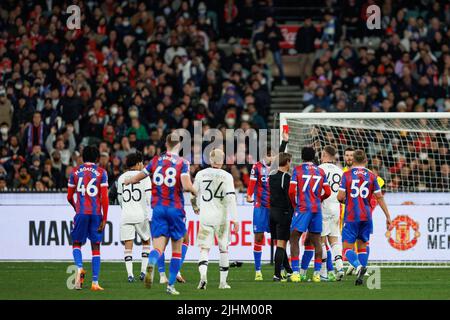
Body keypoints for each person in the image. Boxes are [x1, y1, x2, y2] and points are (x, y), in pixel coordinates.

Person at [124, 133, 197, 295]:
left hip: (158, 209)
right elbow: (186, 185)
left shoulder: (156, 161)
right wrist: (194, 190)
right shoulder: (182, 163)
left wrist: (129, 181)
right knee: (176, 249)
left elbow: (141, 175)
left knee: (158, 246)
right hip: (175, 209)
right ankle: (170, 286)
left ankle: (151, 262)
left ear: (166, 144)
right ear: (179, 146)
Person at [337, 149, 392, 286]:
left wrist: (348, 201)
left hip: (351, 215)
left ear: (353, 160)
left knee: (347, 248)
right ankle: (360, 277)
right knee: (363, 245)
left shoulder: (347, 175)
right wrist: (388, 216)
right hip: (366, 216)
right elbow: (379, 197)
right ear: (366, 161)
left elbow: (340, 197)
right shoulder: (372, 176)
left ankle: (359, 267)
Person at [191, 149, 239, 290]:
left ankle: (203, 277)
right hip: (222, 219)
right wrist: (235, 219)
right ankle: (223, 283)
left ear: (211, 160)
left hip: (206, 217)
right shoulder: (227, 176)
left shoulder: (201, 174)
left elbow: (193, 194)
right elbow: (231, 198)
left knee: (204, 249)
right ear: (222, 161)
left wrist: (195, 207)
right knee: (223, 249)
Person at [246, 133, 288, 281]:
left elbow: (283, 153)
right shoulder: (257, 167)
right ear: (265, 155)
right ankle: (258, 270)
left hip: (275, 207)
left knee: (279, 239)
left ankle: (281, 269)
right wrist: (249, 195)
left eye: (274, 156)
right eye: (270, 156)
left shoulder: (277, 167)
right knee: (259, 237)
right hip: (260, 207)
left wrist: (284, 140)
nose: (273, 158)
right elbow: (252, 182)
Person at [67, 145, 109, 291]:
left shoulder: (74, 172)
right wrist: (105, 217)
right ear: (97, 158)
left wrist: (75, 207)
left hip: (81, 212)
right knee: (96, 246)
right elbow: (104, 197)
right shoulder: (101, 172)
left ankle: (79, 268)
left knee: (76, 242)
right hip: (96, 213)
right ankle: (95, 283)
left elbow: (69, 196)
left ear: (82, 157)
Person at [288, 147, 331, 283]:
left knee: (294, 238)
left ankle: (295, 272)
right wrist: (320, 199)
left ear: (302, 157)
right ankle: (317, 274)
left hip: (302, 208)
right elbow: (328, 192)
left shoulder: (298, 170)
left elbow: (291, 191)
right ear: (313, 157)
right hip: (316, 209)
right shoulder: (320, 171)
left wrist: (295, 205)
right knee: (316, 240)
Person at [117, 151, 152, 283]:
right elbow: (149, 198)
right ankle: (143, 271)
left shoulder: (121, 178)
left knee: (128, 245)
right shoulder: (144, 177)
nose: (143, 165)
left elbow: (120, 199)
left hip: (126, 215)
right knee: (146, 241)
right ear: (137, 164)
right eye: (142, 163)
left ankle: (130, 275)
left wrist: (126, 207)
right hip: (140, 215)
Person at [318, 146, 344, 281]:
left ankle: (323, 273)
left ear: (324, 155)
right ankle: (340, 267)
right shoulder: (340, 171)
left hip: (323, 206)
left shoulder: (319, 169)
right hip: (336, 207)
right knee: (334, 240)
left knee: (321, 240)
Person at [269, 152, 294, 281]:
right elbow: (289, 195)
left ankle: (289, 270)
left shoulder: (271, 175)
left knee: (279, 243)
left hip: (272, 212)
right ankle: (277, 274)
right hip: (282, 213)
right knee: (281, 244)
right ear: (287, 162)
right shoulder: (286, 177)